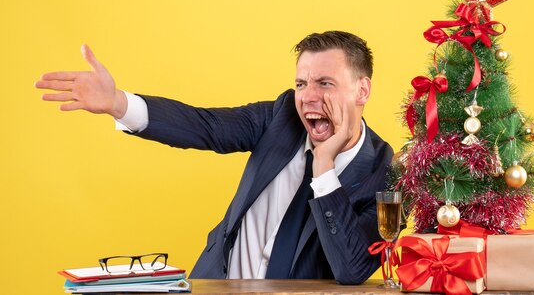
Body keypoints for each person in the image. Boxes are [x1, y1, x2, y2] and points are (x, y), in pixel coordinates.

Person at [36, 31, 393, 284]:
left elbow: (352, 268)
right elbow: (205, 126)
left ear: (362, 89)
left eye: (325, 83)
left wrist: (324, 167)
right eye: (302, 84)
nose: (308, 97)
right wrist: (119, 104)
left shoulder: (385, 172)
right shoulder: (281, 117)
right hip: (217, 284)